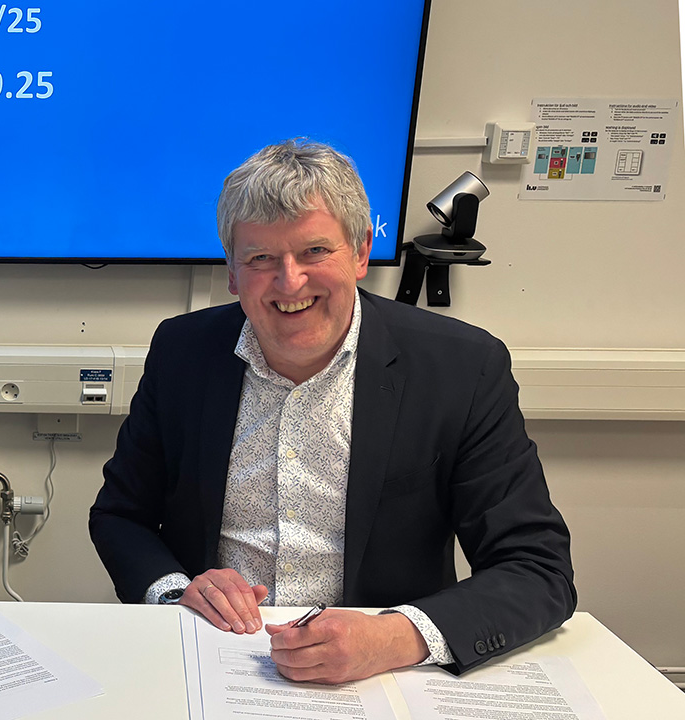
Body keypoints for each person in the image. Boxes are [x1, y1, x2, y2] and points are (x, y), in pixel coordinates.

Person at [89, 139, 576, 682]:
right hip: (212, 659)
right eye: (260, 258)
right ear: (232, 271)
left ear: (361, 252)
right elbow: (121, 515)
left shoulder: (462, 367)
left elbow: (536, 568)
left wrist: (394, 637)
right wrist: (175, 592)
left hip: (385, 671)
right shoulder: (182, 352)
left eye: (315, 251)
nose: (290, 281)